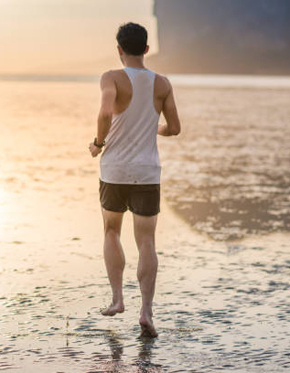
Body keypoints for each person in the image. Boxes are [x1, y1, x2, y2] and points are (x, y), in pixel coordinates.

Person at [89, 22, 181, 338]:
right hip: (147, 173)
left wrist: (98, 143)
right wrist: (150, 128)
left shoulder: (111, 78)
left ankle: (117, 300)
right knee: (147, 241)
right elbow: (174, 128)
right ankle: (146, 312)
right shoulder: (163, 83)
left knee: (111, 230)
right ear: (146, 49)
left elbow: (104, 113)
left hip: (114, 170)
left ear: (119, 50)